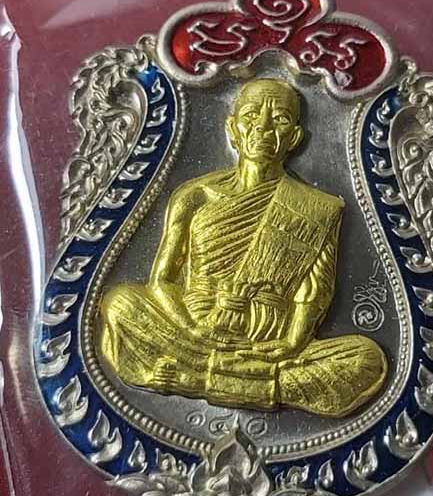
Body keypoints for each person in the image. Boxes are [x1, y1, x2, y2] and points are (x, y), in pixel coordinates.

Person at [98, 78, 387, 417]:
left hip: (267, 342)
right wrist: (192, 328)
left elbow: (314, 292)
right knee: (119, 304)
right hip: (196, 332)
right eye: (251, 116)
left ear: (294, 137)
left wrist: (292, 343)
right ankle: (259, 383)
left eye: (279, 119)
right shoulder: (195, 197)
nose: (263, 127)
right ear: (232, 129)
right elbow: (162, 281)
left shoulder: (316, 207)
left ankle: (197, 379)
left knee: (366, 360)